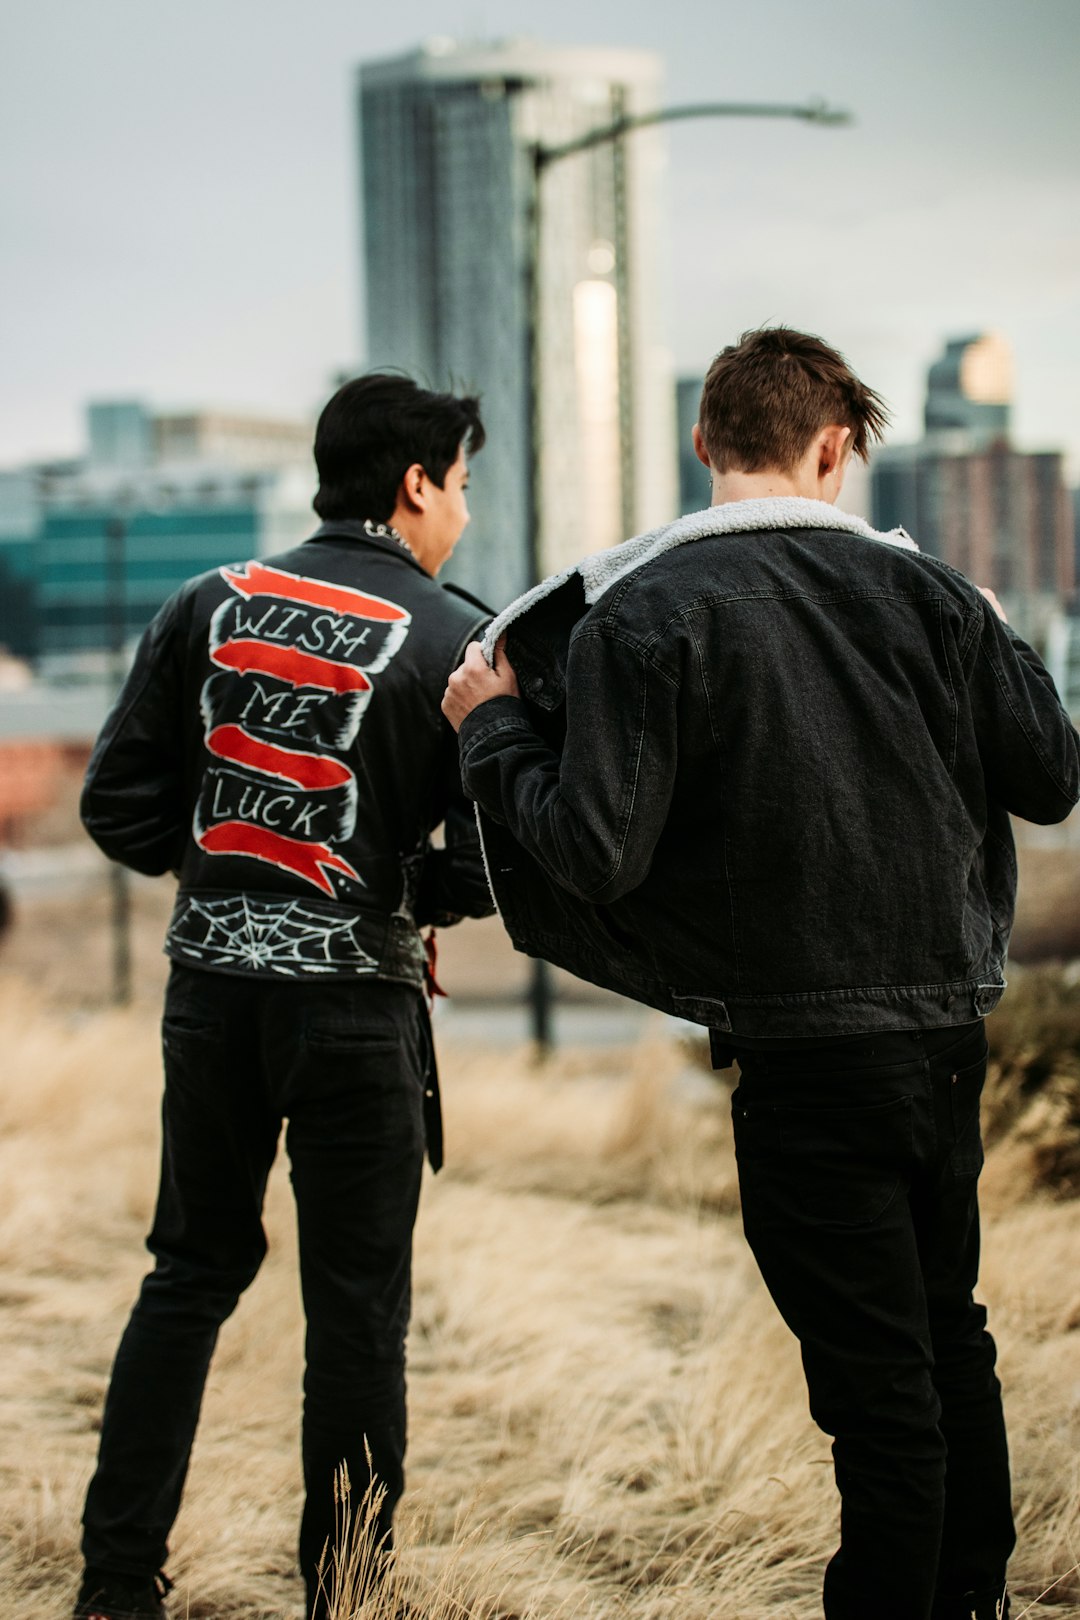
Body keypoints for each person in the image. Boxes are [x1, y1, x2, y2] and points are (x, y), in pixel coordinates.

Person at [441, 327, 1080, 1620]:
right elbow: (1055, 779)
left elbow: (593, 853)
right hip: (947, 1031)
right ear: (835, 449)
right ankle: (977, 1595)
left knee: (877, 1393)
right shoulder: (940, 599)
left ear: (703, 442)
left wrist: (489, 727)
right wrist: (1003, 643)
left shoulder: (644, 612)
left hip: (802, 1057)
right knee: (949, 1334)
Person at [76, 373, 494, 1620]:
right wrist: (401, 883)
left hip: (212, 999)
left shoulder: (207, 603)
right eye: (461, 485)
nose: (461, 513)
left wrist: (217, 873)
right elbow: (488, 856)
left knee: (188, 1273)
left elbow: (115, 805)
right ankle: (347, 1597)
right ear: (416, 483)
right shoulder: (459, 638)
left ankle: (113, 1587)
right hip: (357, 1012)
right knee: (357, 1318)